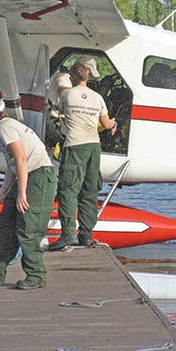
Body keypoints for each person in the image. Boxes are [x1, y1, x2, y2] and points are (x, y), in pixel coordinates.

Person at [0, 98, 58, 289]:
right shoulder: (2, 131)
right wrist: (2, 193)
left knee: (28, 227)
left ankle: (36, 275)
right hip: (25, 174)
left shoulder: (6, 127)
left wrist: (22, 193)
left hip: (38, 176)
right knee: (7, 223)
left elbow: (21, 159)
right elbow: (11, 165)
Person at [48, 62, 117, 251]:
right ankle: (86, 235)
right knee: (89, 191)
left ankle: (68, 234)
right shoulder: (98, 98)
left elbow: (59, 109)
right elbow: (106, 123)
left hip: (75, 145)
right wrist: (114, 124)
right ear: (87, 77)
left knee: (68, 190)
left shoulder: (67, 94)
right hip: (94, 147)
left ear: (72, 77)